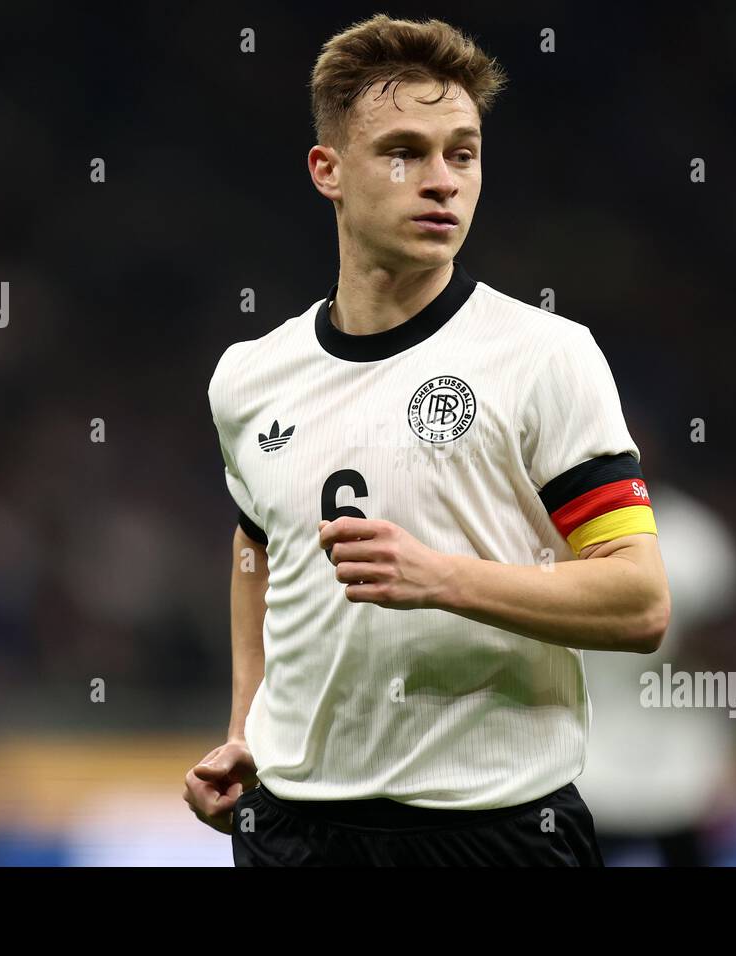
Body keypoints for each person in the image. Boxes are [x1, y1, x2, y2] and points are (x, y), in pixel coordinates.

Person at [185, 14, 671, 866]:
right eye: (405, 152)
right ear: (327, 171)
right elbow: (257, 545)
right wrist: (246, 727)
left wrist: (440, 577)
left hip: (497, 833)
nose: (442, 181)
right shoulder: (249, 376)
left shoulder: (543, 358)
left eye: (464, 153)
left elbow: (639, 601)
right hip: (294, 836)